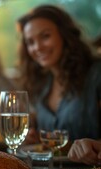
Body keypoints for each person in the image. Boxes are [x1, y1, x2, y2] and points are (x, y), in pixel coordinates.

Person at [17, 4, 101, 143]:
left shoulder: (96, 74)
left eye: (45, 36)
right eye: (30, 42)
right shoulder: (40, 83)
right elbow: (53, 143)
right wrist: (38, 139)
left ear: (65, 35)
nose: (37, 47)